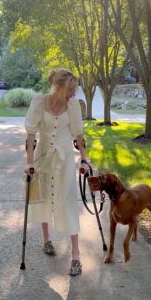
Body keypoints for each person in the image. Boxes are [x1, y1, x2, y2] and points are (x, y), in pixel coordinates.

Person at [25, 69, 89, 276]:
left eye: (75, 89)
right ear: (58, 87)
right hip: (42, 157)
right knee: (42, 198)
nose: (73, 93)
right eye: (70, 89)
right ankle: (46, 240)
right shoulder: (39, 102)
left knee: (68, 201)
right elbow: (30, 136)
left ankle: (76, 255)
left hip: (65, 159)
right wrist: (29, 163)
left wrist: (84, 159)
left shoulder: (73, 106)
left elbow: (79, 135)